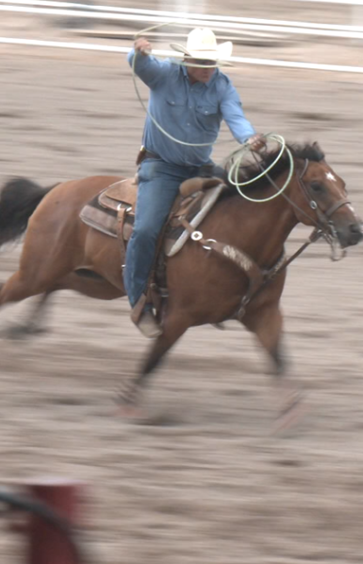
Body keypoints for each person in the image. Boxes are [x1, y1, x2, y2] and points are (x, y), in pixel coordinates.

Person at [126, 27, 266, 337]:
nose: (207, 69)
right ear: (187, 60)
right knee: (146, 229)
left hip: (200, 167)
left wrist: (250, 137)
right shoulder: (164, 74)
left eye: (211, 63)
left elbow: (236, 117)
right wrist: (139, 50)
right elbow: (139, 64)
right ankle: (138, 301)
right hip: (161, 166)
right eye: (202, 63)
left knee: (239, 209)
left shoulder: (222, 85)